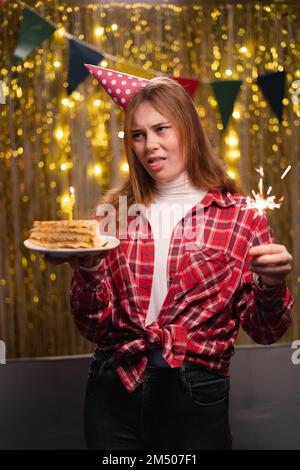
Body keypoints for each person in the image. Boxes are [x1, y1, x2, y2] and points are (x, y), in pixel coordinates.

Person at [47, 66, 293, 450]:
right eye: (138, 135)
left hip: (194, 392)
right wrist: (89, 267)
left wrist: (270, 285)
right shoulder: (113, 214)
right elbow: (94, 328)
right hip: (112, 389)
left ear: (188, 131)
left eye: (162, 129)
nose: (150, 145)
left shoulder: (242, 217)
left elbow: (266, 331)